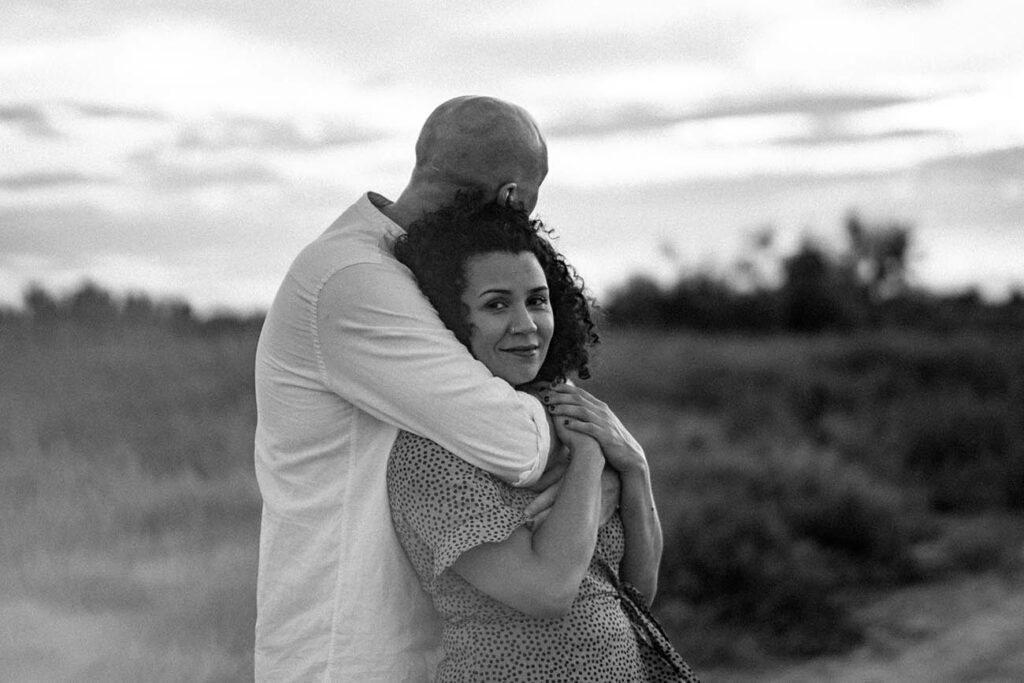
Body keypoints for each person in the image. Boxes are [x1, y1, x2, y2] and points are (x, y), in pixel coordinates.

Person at [253, 96, 617, 682]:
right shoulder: (354, 279)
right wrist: (595, 446)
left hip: (424, 646)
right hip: (351, 650)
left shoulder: (407, 272)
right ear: (511, 199)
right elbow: (519, 444)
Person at [388, 198, 699, 681]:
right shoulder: (428, 450)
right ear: (448, 319)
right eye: (496, 304)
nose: (527, 324)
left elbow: (637, 589)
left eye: (537, 299)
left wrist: (635, 468)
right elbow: (548, 591)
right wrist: (592, 456)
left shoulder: (565, 411)